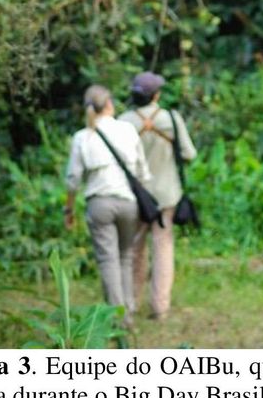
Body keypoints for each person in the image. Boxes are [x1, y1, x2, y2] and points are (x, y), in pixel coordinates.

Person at [65, 84, 153, 326]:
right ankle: (129, 308)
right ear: (110, 104)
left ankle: (117, 316)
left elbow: (73, 179)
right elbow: (143, 173)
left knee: (107, 259)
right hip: (128, 203)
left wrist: (69, 209)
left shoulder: (83, 137)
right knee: (126, 256)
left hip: (99, 204)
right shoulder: (127, 130)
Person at [118, 71, 197, 322]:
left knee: (134, 249)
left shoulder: (124, 121)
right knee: (163, 246)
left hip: (136, 196)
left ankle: (130, 304)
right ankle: (160, 307)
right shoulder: (171, 119)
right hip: (167, 195)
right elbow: (189, 154)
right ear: (157, 95)